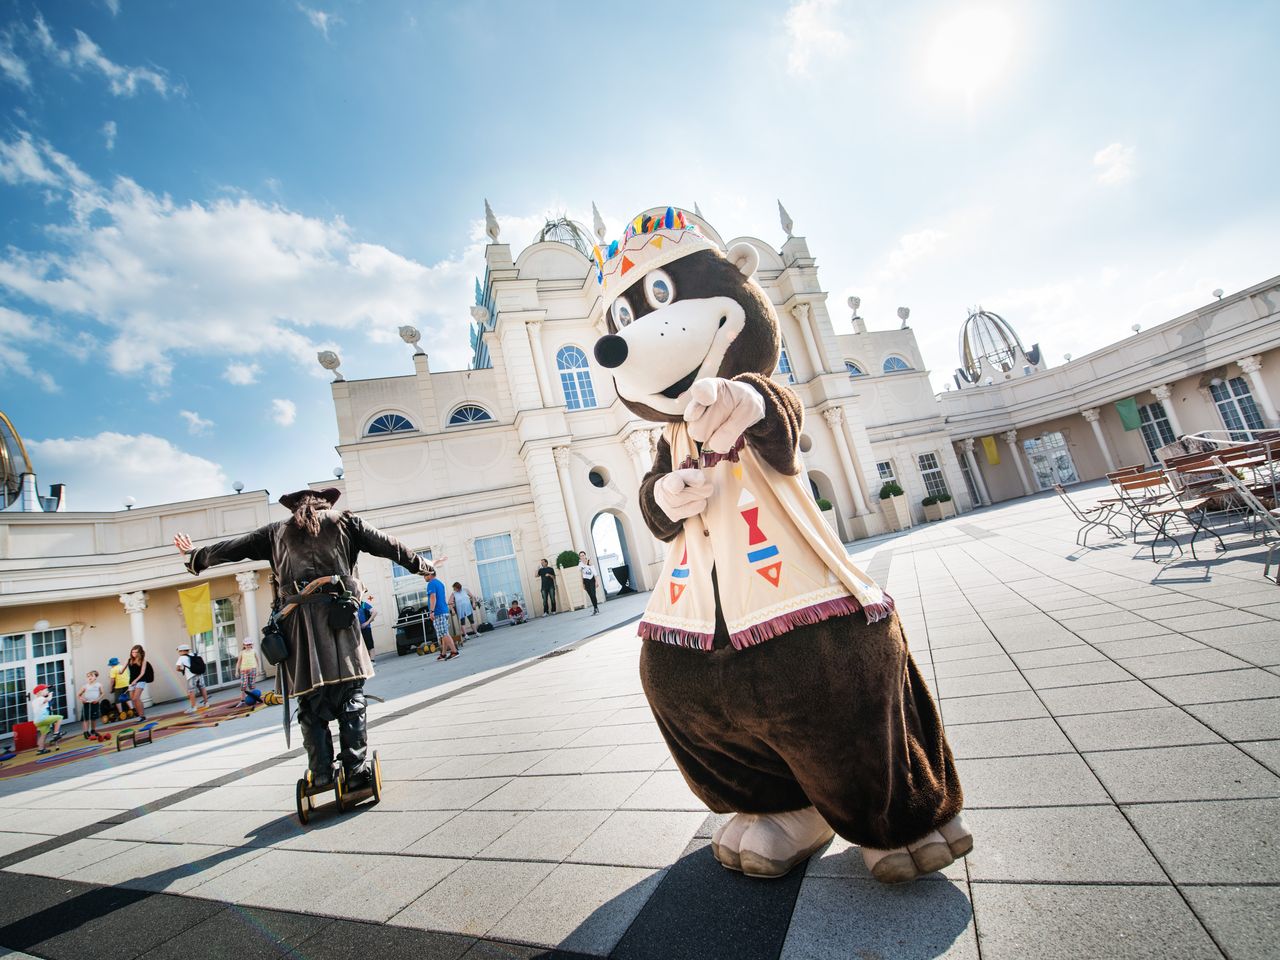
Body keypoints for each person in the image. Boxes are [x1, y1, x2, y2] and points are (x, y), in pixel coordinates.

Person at [174, 486, 444, 791]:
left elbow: (231, 548)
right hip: (339, 621)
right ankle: (356, 772)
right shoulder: (344, 521)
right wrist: (424, 566)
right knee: (350, 696)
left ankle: (321, 774)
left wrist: (195, 556)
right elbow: (390, 546)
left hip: (297, 629)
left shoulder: (275, 532)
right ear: (325, 503)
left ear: (294, 507)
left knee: (310, 704)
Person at [425, 569, 459, 660]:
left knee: (444, 633)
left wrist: (432, 611)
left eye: (425, 575)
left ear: (430, 574)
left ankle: (454, 652)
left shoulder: (431, 584)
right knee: (443, 633)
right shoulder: (440, 583)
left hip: (438, 612)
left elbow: (433, 597)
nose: (424, 577)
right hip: (444, 611)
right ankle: (443, 654)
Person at [175, 643, 209, 714]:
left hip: (191, 676)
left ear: (182, 651)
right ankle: (206, 703)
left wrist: (182, 670)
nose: (178, 652)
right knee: (202, 688)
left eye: (179, 651)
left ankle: (193, 707)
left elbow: (177, 668)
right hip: (199, 673)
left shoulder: (181, 658)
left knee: (191, 691)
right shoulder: (194, 654)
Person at [30, 683, 63, 754]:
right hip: (43, 718)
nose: (47, 691)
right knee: (59, 717)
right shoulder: (40, 699)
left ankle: (40, 749)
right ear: (40, 692)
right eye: (46, 690)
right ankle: (56, 733)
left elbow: (44, 706)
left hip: (37, 721)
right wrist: (50, 695)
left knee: (44, 734)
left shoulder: (35, 701)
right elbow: (48, 699)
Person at [126, 645, 153, 721]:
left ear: (139, 653)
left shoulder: (143, 661)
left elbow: (142, 673)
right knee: (133, 699)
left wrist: (136, 680)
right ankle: (140, 716)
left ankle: (142, 716)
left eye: (136, 652)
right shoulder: (129, 660)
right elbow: (122, 670)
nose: (134, 653)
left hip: (141, 680)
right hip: (131, 681)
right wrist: (120, 671)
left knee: (136, 698)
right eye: (132, 652)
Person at [77, 671, 103, 739]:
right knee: (85, 718)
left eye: (91, 676)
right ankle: (86, 732)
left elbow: (102, 693)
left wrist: (98, 699)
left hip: (95, 703)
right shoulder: (85, 686)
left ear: (95, 677)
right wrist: (82, 699)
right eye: (88, 676)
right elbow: (78, 695)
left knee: (93, 718)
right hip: (87, 704)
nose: (90, 677)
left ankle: (93, 730)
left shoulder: (98, 685)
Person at [579, 550, 600, 615]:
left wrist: (596, 581)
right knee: (591, 595)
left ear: (585, 555)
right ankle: (595, 608)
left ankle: (596, 608)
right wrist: (582, 584)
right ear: (579, 557)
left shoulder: (589, 562)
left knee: (593, 594)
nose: (582, 557)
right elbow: (581, 575)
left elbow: (594, 572)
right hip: (586, 581)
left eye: (583, 555)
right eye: (581, 556)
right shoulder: (580, 564)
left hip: (592, 580)